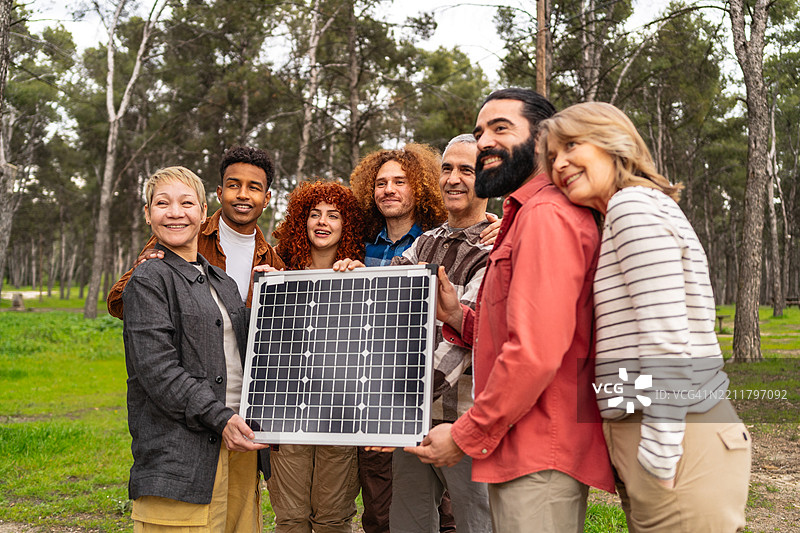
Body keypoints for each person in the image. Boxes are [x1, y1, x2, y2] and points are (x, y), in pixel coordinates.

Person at [406, 88, 615, 533]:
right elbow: (519, 328)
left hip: (539, 450)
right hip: (518, 445)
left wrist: (465, 434)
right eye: (481, 132)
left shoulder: (545, 215)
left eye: (501, 129)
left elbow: (536, 351)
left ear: (543, 140)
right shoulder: (523, 214)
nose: (483, 143)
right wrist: (458, 317)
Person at [538, 101, 751, 532]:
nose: (559, 163)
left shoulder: (631, 207)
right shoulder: (627, 211)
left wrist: (659, 454)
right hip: (662, 436)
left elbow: (666, 338)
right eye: (552, 156)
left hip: (678, 440)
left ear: (613, 143)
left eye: (572, 145)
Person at [122, 166, 268, 532]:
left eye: (187, 203)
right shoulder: (148, 279)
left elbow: (260, 351)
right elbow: (158, 372)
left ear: (204, 213)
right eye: (162, 203)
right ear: (147, 213)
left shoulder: (223, 282)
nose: (175, 213)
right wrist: (221, 419)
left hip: (239, 448)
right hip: (181, 457)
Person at [388, 134, 492, 533]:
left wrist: (391, 402)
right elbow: (385, 314)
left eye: (467, 169)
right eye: (447, 168)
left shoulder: (495, 251)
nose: (453, 178)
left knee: (476, 522)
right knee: (408, 523)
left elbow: (462, 340)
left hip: (465, 420)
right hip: (411, 418)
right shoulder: (421, 246)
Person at [265, 180, 365, 533]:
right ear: (301, 221)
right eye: (314, 214)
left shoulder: (360, 273)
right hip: (288, 409)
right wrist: (268, 290)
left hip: (340, 409)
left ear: (346, 224)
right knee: (290, 517)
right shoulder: (279, 271)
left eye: (333, 215)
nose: (323, 222)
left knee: (332, 517)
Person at [107, 145, 284, 318]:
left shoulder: (272, 262)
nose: (243, 195)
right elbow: (117, 304)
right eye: (234, 185)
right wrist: (143, 275)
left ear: (266, 198)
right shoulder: (183, 232)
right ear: (220, 193)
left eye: (253, 187)